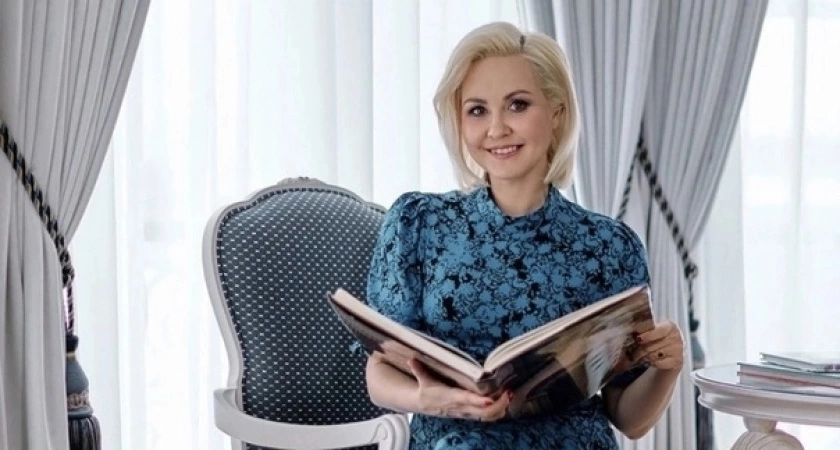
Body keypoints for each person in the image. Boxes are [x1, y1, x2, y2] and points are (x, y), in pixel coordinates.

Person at [363, 21, 685, 449]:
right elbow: (380, 371)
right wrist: (428, 399)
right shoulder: (417, 222)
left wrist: (668, 368)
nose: (496, 129)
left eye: (517, 105)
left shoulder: (611, 246)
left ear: (557, 113)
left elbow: (629, 419)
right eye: (477, 110)